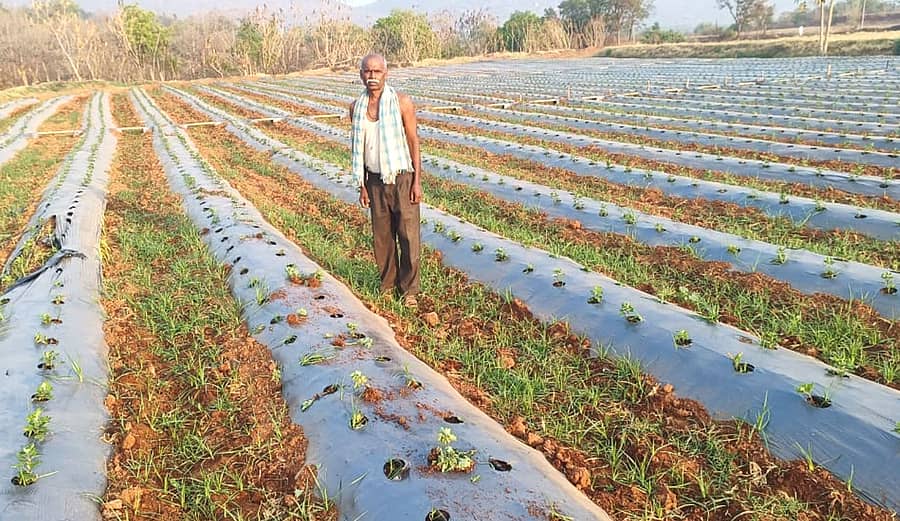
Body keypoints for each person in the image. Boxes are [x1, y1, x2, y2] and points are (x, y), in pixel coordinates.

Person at [349, 53, 423, 307]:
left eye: (377, 71)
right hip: (374, 180)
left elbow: (413, 141)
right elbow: (359, 148)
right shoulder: (356, 108)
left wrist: (416, 181)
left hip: (401, 176)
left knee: (408, 236)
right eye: (367, 71)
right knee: (382, 237)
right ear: (361, 74)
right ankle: (388, 285)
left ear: (386, 73)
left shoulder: (402, 102)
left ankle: (409, 291)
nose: (372, 76)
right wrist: (362, 186)